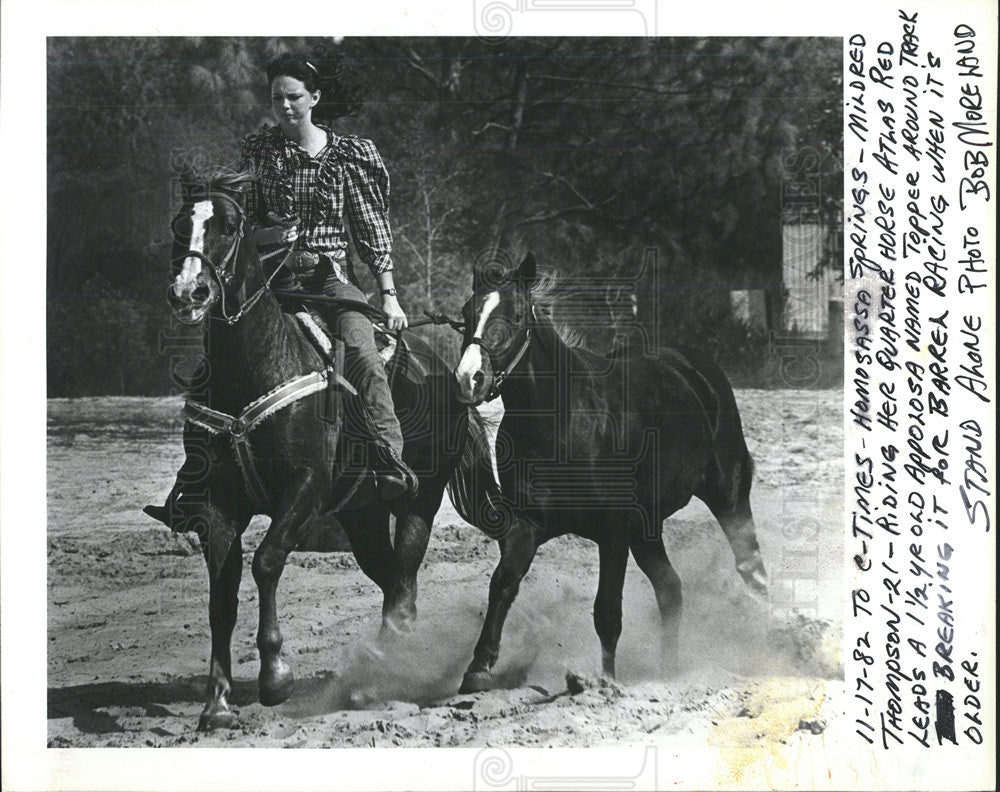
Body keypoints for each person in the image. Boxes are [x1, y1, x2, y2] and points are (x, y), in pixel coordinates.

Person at [147, 54, 416, 527]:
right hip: (271, 280)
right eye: (277, 98)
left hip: (331, 282)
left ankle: (388, 459)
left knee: (363, 353)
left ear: (315, 99)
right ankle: (193, 476)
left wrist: (388, 294)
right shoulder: (260, 151)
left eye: (294, 97)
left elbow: (372, 231)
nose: (286, 106)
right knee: (217, 353)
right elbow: (239, 218)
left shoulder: (352, 156)